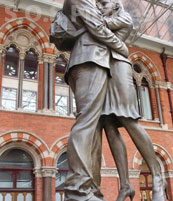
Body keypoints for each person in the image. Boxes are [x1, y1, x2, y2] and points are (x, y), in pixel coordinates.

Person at [94, 0, 169, 201]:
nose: (100, 6)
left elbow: (98, 27)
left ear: (116, 5)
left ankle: (157, 176)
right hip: (101, 69)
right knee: (108, 125)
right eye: (98, 4)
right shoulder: (104, 17)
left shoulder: (123, 18)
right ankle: (125, 185)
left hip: (118, 67)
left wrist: (90, 20)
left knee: (128, 119)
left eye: (104, 3)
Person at [62, 0, 131, 200]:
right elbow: (96, 26)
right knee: (87, 123)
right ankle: (78, 189)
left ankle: (92, 189)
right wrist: (121, 47)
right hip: (90, 59)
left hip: (89, 61)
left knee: (93, 127)